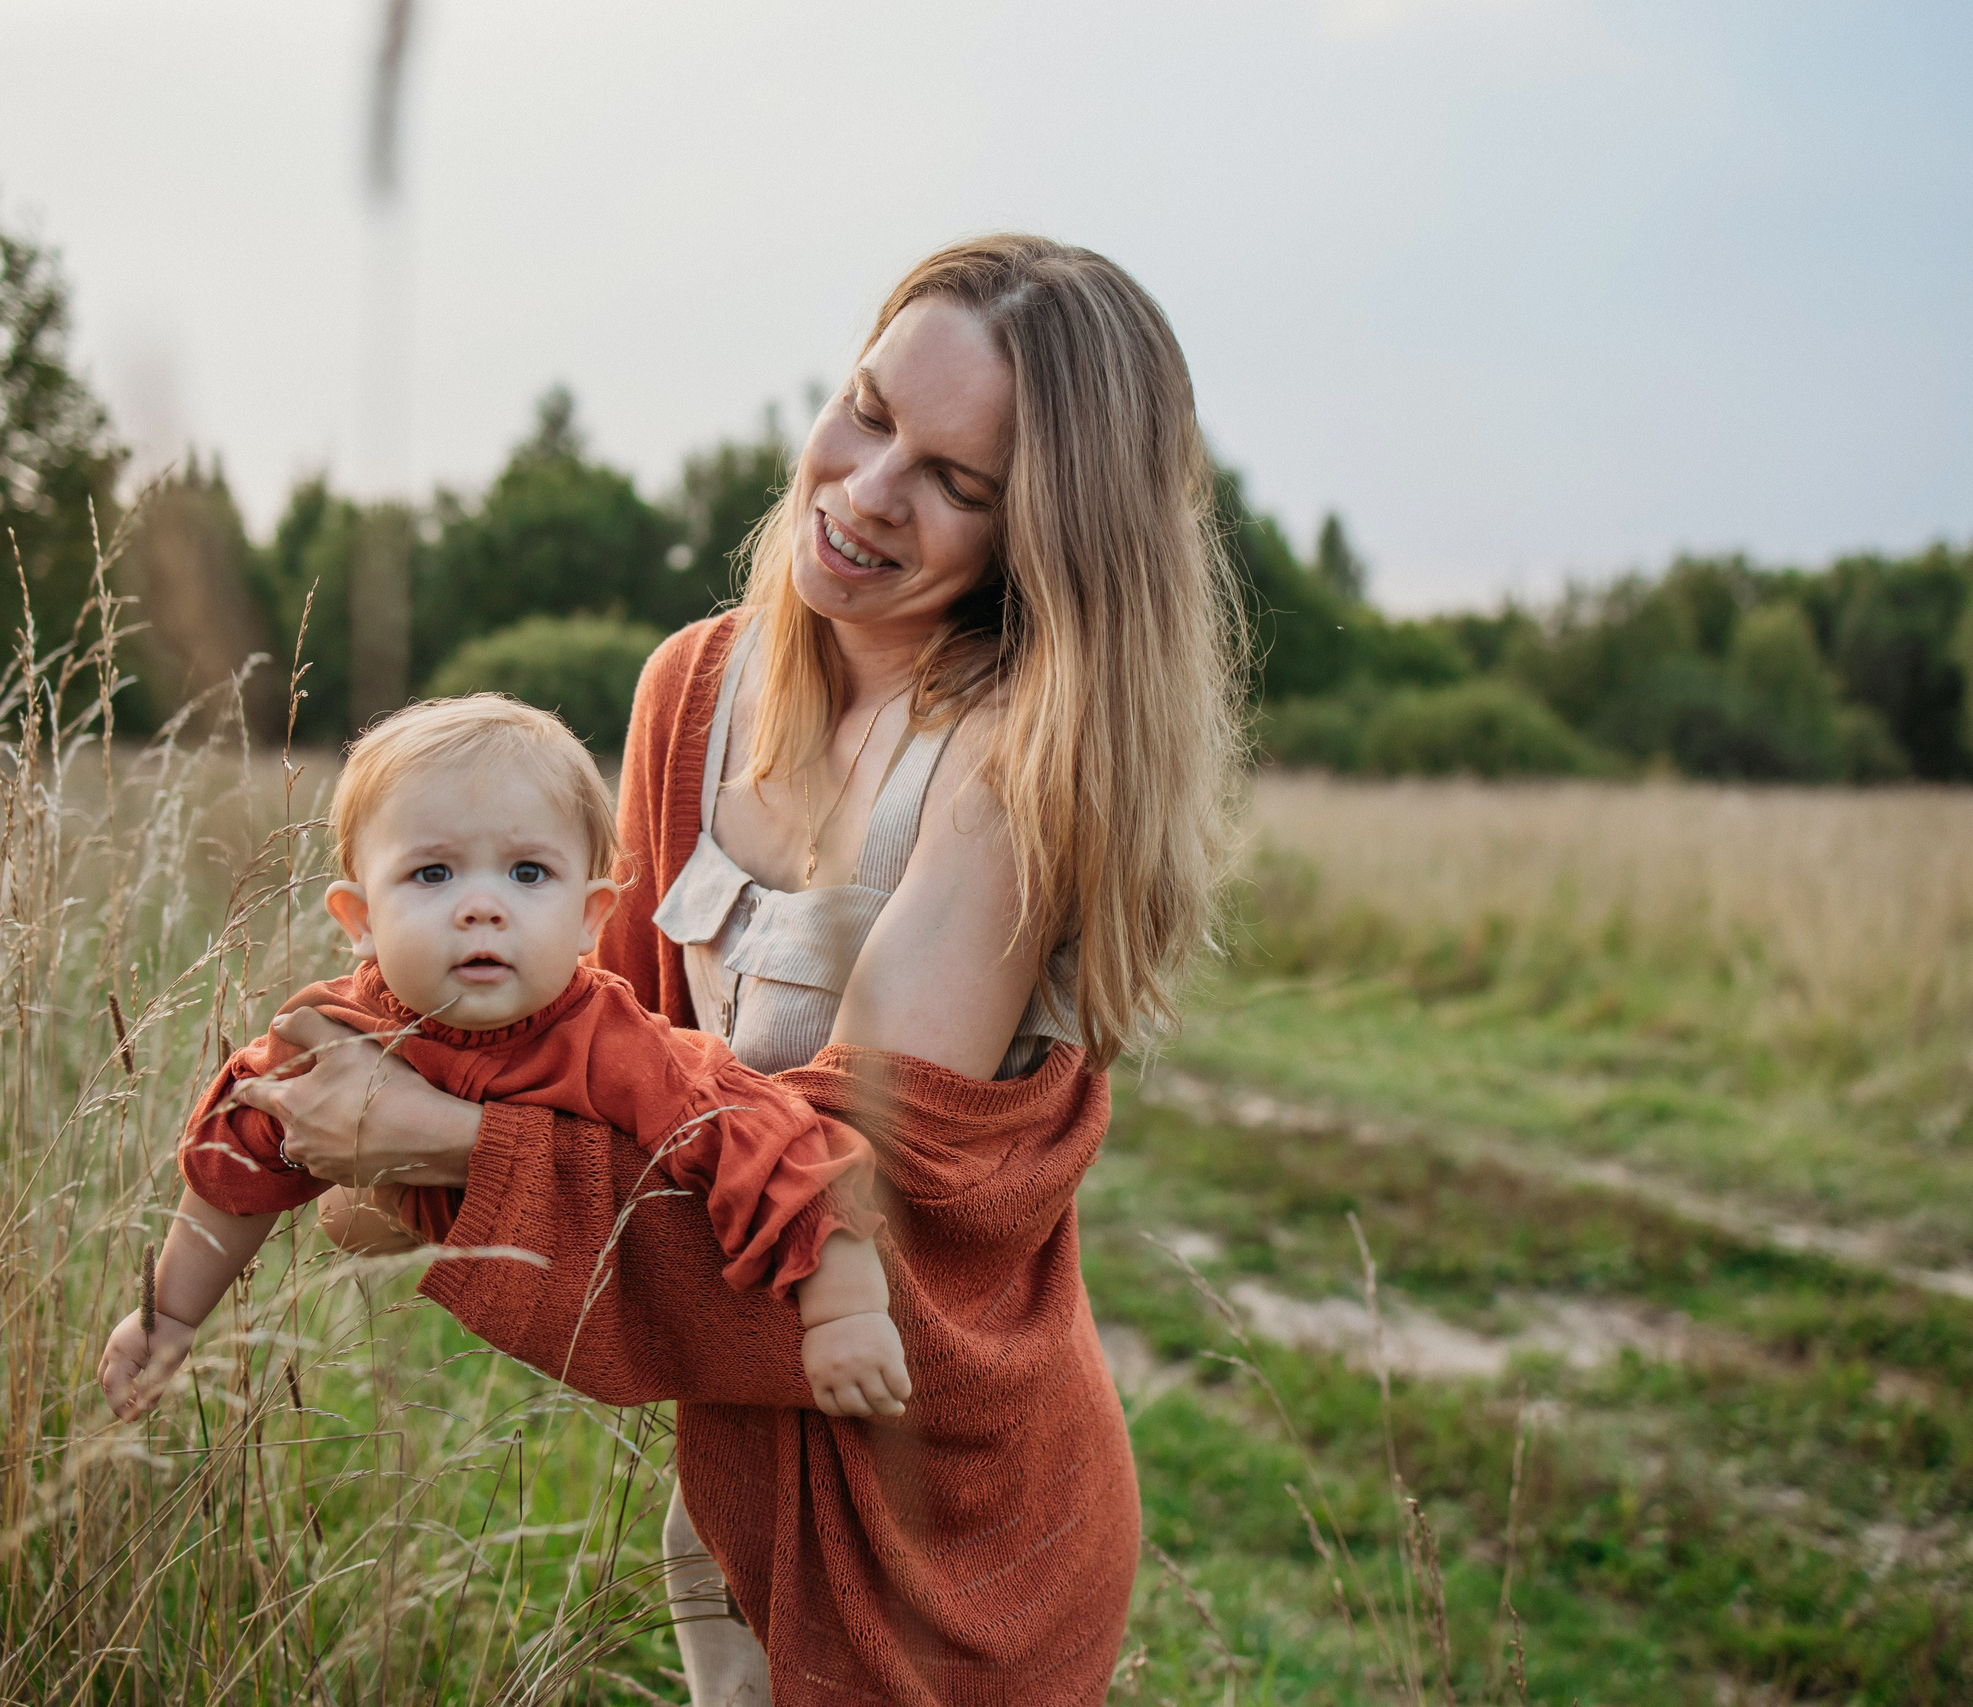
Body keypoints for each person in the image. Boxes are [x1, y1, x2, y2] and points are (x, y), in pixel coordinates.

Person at [228, 234, 1243, 1706]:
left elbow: (862, 1221)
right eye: (872, 409)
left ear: (1050, 536)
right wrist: (375, 1068)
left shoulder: (1017, 772)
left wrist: (438, 1140)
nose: (869, 489)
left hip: (950, 1524)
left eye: (960, 483)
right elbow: (596, 1061)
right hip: (732, 1483)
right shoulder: (692, 687)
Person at [95, 694, 913, 1423]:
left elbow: (776, 1142)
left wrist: (845, 1311)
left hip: (669, 1339)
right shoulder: (338, 1031)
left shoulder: (620, 1043)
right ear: (360, 917)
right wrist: (170, 1314)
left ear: (591, 916)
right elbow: (236, 1156)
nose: (481, 906)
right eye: (432, 872)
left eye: (528, 872)